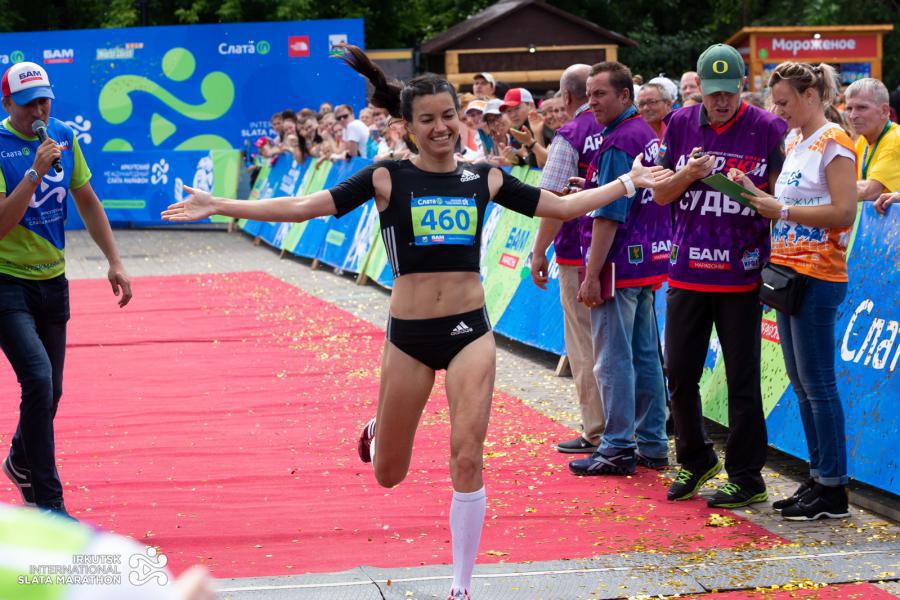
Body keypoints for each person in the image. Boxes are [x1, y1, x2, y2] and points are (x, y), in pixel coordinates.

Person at [161, 44, 671, 600]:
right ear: (407, 126)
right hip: (408, 339)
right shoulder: (385, 178)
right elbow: (305, 206)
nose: (441, 128)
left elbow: (563, 205)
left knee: (467, 454)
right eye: (427, 119)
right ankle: (380, 428)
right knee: (389, 473)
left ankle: (461, 586)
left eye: (448, 116)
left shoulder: (484, 179)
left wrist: (628, 183)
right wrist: (221, 204)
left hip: (469, 333)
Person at [652, 44, 787, 508]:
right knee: (679, 373)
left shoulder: (768, 128)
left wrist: (750, 192)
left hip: (741, 275)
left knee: (742, 380)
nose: (722, 101)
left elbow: (782, 203)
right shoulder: (679, 123)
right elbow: (662, 196)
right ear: (700, 89)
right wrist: (688, 174)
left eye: (730, 92)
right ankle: (695, 459)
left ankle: (747, 476)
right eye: (714, 93)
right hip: (686, 271)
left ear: (743, 87)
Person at [0, 62, 133, 519]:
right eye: (28, 104)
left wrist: (114, 260)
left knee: (51, 390)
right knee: (37, 378)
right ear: (7, 103)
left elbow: (88, 201)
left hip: (53, 280)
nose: (39, 111)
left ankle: (19, 459)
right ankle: (49, 502)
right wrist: (33, 174)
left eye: (44, 101)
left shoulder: (63, 136)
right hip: (6, 281)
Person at [732, 61, 856, 520]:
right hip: (787, 271)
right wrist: (754, 193)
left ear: (811, 96)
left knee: (818, 385)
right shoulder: (795, 141)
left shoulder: (834, 142)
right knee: (803, 384)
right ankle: (820, 475)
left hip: (818, 274)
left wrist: (781, 210)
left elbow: (843, 212)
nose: (778, 110)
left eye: (784, 102)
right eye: (774, 102)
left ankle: (833, 487)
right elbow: (789, 202)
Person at [568, 61, 670, 476]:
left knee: (612, 359)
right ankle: (652, 442)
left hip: (618, 264)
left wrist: (592, 274)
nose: (591, 102)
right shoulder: (642, 132)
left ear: (625, 95)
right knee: (645, 355)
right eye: (588, 94)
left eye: (600, 94)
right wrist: (592, 187)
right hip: (646, 260)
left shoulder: (617, 141)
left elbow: (609, 216)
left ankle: (616, 445)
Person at [530, 64, 606, 455]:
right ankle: (635, 427)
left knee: (584, 344)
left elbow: (553, 203)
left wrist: (538, 251)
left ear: (567, 97)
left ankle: (597, 430)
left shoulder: (571, 135)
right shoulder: (628, 128)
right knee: (623, 343)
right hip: (628, 255)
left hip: (579, 253)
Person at [844, 78, 900, 202]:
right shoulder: (863, 139)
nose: (852, 116)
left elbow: (869, 192)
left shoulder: (895, 140)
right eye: (849, 108)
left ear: (884, 111)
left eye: (862, 108)